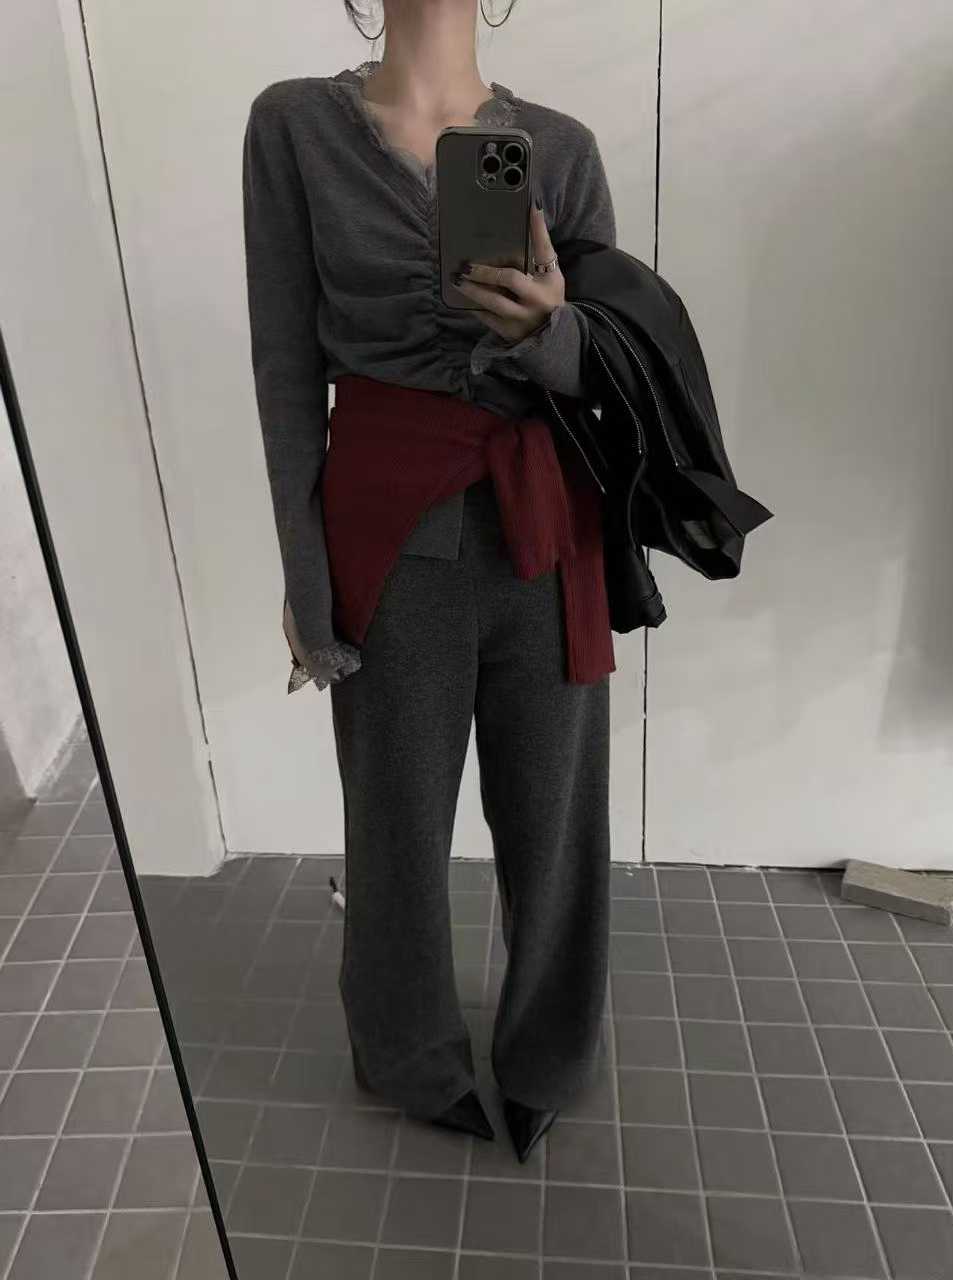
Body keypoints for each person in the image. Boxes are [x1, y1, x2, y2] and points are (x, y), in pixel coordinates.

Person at [242, 0, 617, 1164]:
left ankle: (550, 1051)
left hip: (544, 527)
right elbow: (284, 368)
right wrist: (305, 575)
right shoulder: (294, 127)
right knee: (394, 822)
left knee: (555, 819)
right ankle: (406, 1052)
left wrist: (550, 329)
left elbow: (610, 371)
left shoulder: (560, 149)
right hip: (389, 532)